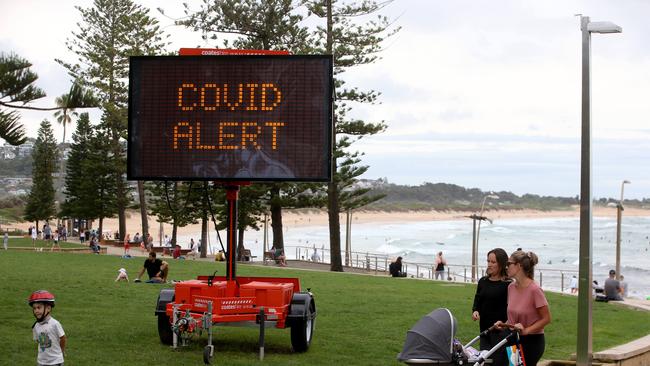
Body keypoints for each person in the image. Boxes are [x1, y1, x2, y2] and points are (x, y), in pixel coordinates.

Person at [495, 250, 551, 366]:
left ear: (519, 266)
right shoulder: (511, 287)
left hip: (531, 342)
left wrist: (526, 330)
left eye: (509, 264)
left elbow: (546, 319)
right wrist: (504, 324)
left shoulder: (535, 290)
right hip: (512, 338)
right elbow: (513, 317)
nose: (506, 267)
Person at [471, 248, 510, 366]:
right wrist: (475, 311)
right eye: (488, 261)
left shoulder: (508, 284)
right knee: (485, 361)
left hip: (501, 330)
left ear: (502, 264)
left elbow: (511, 308)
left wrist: (505, 325)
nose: (489, 264)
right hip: (485, 330)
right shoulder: (483, 281)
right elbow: (478, 300)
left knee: (498, 361)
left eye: (493, 262)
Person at [29, 290, 66, 366]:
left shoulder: (55, 324)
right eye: (34, 308)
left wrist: (60, 351)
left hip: (55, 361)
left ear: (48, 308)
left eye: (39, 307)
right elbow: (38, 341)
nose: (36, 311)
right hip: (41, 361)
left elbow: (63, 338)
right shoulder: (36, 326)